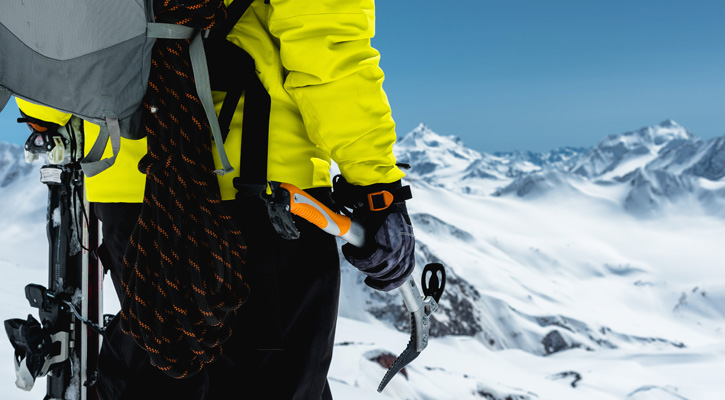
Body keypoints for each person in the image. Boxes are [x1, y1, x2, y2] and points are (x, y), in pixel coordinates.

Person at [16, 0, 414, 398]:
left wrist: (46, 115)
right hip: (260, 192)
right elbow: (325, 39)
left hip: (126, 182)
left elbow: (42, 22)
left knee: (157, 368)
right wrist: (375, 184)